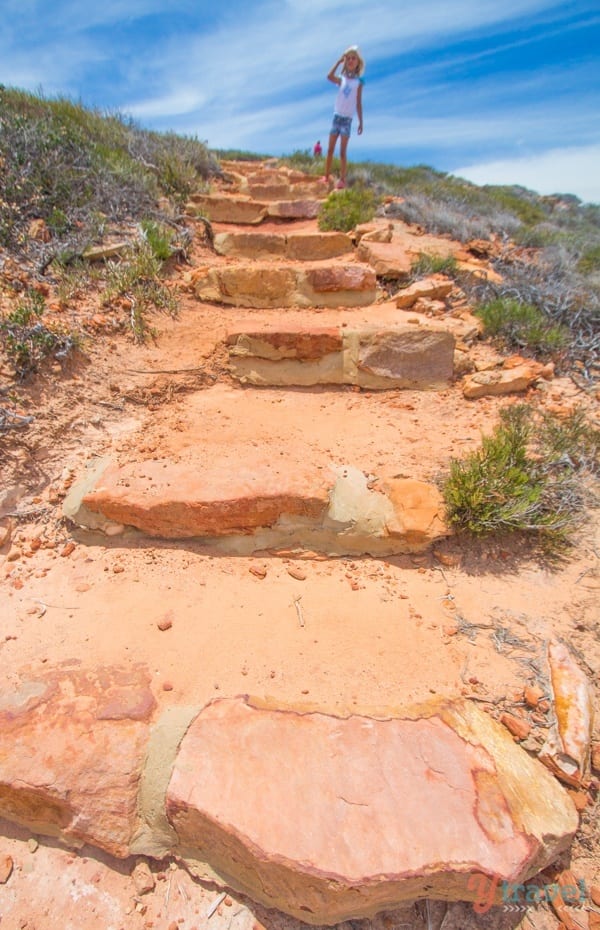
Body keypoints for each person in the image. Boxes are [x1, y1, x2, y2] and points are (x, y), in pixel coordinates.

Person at [322, 46, 364, 189]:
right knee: (330, 149)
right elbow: (329, 76)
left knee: (342, 152)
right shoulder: (342, 79)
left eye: (354, 58)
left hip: (347, 119)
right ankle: (326, 177)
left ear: (358, 62)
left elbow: (358, 102)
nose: (351, 61)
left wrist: (360, 122)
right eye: (349, 58)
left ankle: (342, 179)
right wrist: (338, 62)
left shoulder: (359, 82)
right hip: (337, 116)